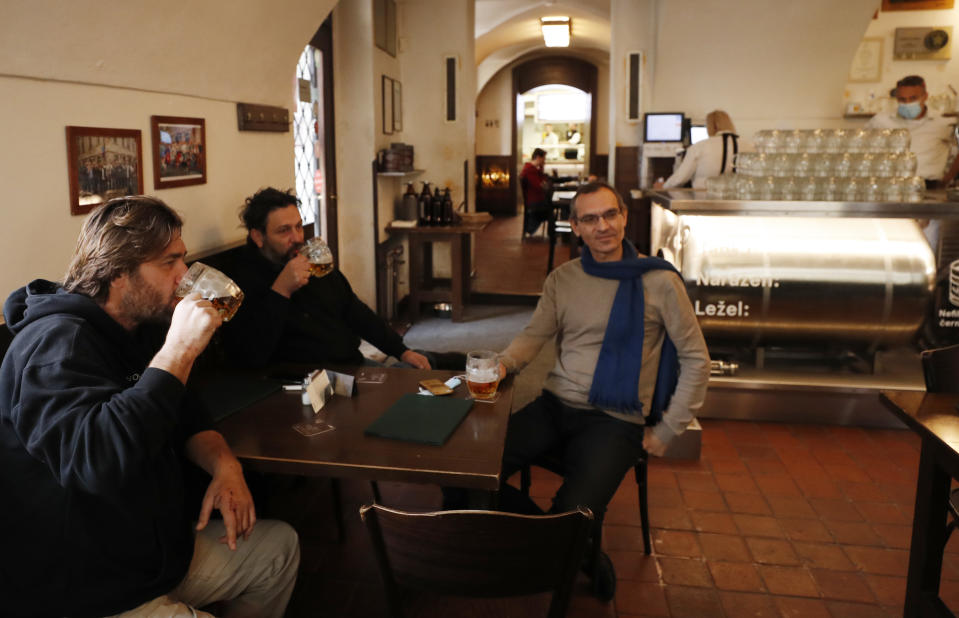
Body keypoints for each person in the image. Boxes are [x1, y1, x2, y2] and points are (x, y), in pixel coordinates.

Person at [0, 197, 300, 617]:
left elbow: (184, 413)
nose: (184, 276)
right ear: (119, 272)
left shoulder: (136, 328)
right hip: (83, 587)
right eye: (169, 263)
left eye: (184, 259)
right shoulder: (56, 347)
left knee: (277, 549)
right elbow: (95, 460)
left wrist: (224, 464)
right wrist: (180, 349)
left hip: (144, 558)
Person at [497, 181, 710, 598]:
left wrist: (669, 430)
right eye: (590, 219)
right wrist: (501, 366)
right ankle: (578, 548)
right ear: (575, 226)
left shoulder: (659, 282)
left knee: (572, 515)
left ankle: (569, 541)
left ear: (625, 217)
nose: (603, 227)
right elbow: (532, 335)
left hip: (616, 420)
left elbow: (696, 359)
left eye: (610, 215)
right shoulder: (563, 279)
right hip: (555, 404)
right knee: (466, 475)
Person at [222, 187, 432, 369]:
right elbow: (252, 355)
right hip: (301, 384)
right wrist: (281, 291)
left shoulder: (311, 261)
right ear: (258, 236)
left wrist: (401, 350)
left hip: (351, 367)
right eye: (284, 231)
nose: (296, 238)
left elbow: (354, 311)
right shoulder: (241, 280)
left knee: (425, 370)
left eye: (298, 226)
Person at [867, 75, 954, 187]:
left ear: (925, 96)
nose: (907, 103)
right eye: (902, 99)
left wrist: (948, 179)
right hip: (891, 186)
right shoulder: (880, 121)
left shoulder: (943, 123)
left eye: (913, 98)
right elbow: (864, 147)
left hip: (929, 187)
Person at [658, 110, 744, 189]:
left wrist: (663, 186)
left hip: (703, 200)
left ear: (712, 126)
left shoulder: (699, 147)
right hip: (738, 203)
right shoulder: (748, 146)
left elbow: (679, 179)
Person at [520, 147, 552, 235]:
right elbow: (540, 186)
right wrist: (545, 185)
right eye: (544, 158)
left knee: (553, 206)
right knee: (554, 208)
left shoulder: (533, 169)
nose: (545, 161)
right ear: (538, 157)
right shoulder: (530, 169)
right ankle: (554, 233)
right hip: (535, 202)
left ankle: (555, 233)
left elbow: (543, 182)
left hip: (537, 200)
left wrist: (541, 168)